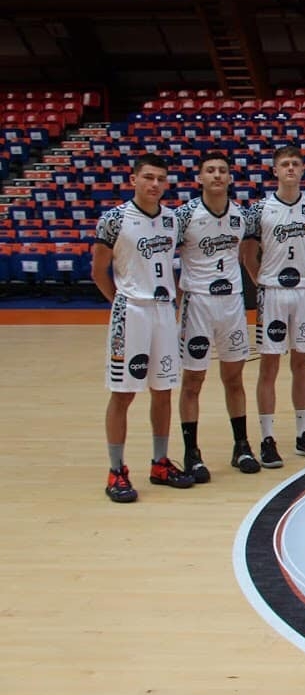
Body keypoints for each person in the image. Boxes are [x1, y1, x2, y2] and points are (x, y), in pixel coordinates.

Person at [92, 152, 193, 502]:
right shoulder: (114, 219)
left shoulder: (172, 220)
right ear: (133, 179)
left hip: (164, 311)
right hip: (131, 311)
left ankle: (160, 462)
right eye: (148, 177)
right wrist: (121, 302)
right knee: (123, 393)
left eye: (160, 179)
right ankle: (116, 469)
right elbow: (98, 271)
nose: (154, 184)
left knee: (163, 391)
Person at [241, 145, 305, 469]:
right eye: (285, 164)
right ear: (275, 171)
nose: (290, 169)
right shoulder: (259, 210)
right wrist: (262, 281)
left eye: (295, 164)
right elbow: (248, 255)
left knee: (302, 365)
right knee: (269, 366)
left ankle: (303, 432)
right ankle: (266, 437)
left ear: (303, 170)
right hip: (273, 293)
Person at [174, 151, 251, 481]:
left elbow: (246, 257)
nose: (217, 175)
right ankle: (192, 452)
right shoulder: (184, 215)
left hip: (231, 303)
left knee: (234, 378)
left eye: (222, 170)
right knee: (193, 381)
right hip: (198, 304)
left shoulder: (240, 215)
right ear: (200, 178)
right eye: (211, 170)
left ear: (230, 178)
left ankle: (242, 446)